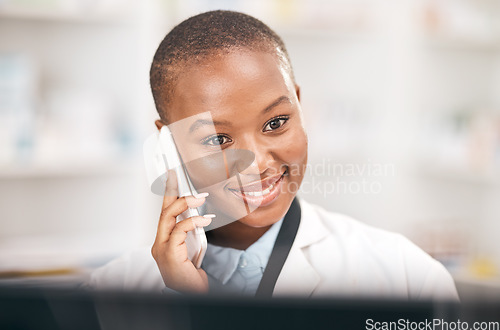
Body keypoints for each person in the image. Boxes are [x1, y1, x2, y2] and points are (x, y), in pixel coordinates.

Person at [89, 10, 458, 300]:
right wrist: (189, 307)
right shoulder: (111, 290)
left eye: (276, 122)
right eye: (217, 140)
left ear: (299, 102)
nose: (259, 162)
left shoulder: (406, 275)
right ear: (167, 145)